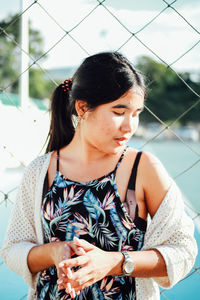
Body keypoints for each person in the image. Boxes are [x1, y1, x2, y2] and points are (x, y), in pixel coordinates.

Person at [0, 51, 197, 300]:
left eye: (136, 113)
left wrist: (115, 262)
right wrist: (54, 252)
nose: (129, 126)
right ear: (82, 108)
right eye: (119, 112)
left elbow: (183, 250)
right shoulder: (40, 171)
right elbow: (13, 249)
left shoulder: (143, 168)